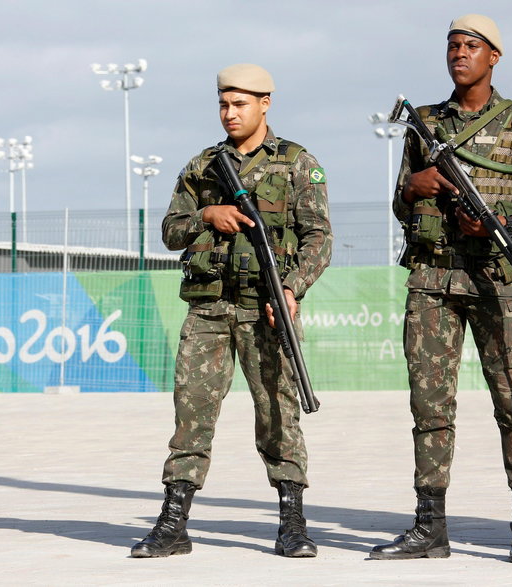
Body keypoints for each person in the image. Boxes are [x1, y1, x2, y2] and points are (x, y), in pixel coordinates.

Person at [369, 15, 512, 563]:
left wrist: (509, 225)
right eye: (453, 45)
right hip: (432, 280)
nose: (460, 53)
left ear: (493, 57)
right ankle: (429, 526)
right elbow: (398, 202)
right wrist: (412, 186)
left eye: (471, 45)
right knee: (430, 406)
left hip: (497, 282)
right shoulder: (425, 123)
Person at [130, 63, 332, 558]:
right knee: (191, 414)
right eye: (223, 104)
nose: (229, 113)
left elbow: (319, 238)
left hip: (266, 307)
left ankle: (292, 523)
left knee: (279, 414)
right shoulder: (203, 166)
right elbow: (170, 230)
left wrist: (292, 288)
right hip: (210, 310)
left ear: (265, 103)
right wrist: (206, 214)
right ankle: (173, 523)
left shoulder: (296, 164)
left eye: (240, 104)